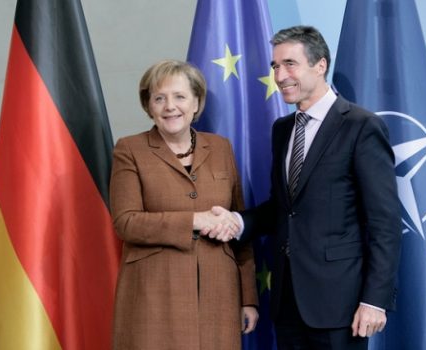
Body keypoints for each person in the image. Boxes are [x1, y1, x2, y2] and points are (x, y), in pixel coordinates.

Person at [205, 25, 401, 350]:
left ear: (320, 65)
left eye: (290, 64)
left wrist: (375, 300)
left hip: (341, 306)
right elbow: (283, 209)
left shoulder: (361, 127)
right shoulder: (283, 130)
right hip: (288, 302)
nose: (280, 76)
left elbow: (385, 222)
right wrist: (238, 222)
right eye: (275, 66)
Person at [109, 60, 259, 350]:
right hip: (154, 296)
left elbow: (238, 226)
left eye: (180, 97)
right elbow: (125, 222)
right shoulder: (129, 149)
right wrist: (195, 220)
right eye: (159, 98)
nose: (170, 106)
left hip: (220, 297)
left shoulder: (220, 147)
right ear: (148, 106)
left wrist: (248, 297)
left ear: (196, 102)